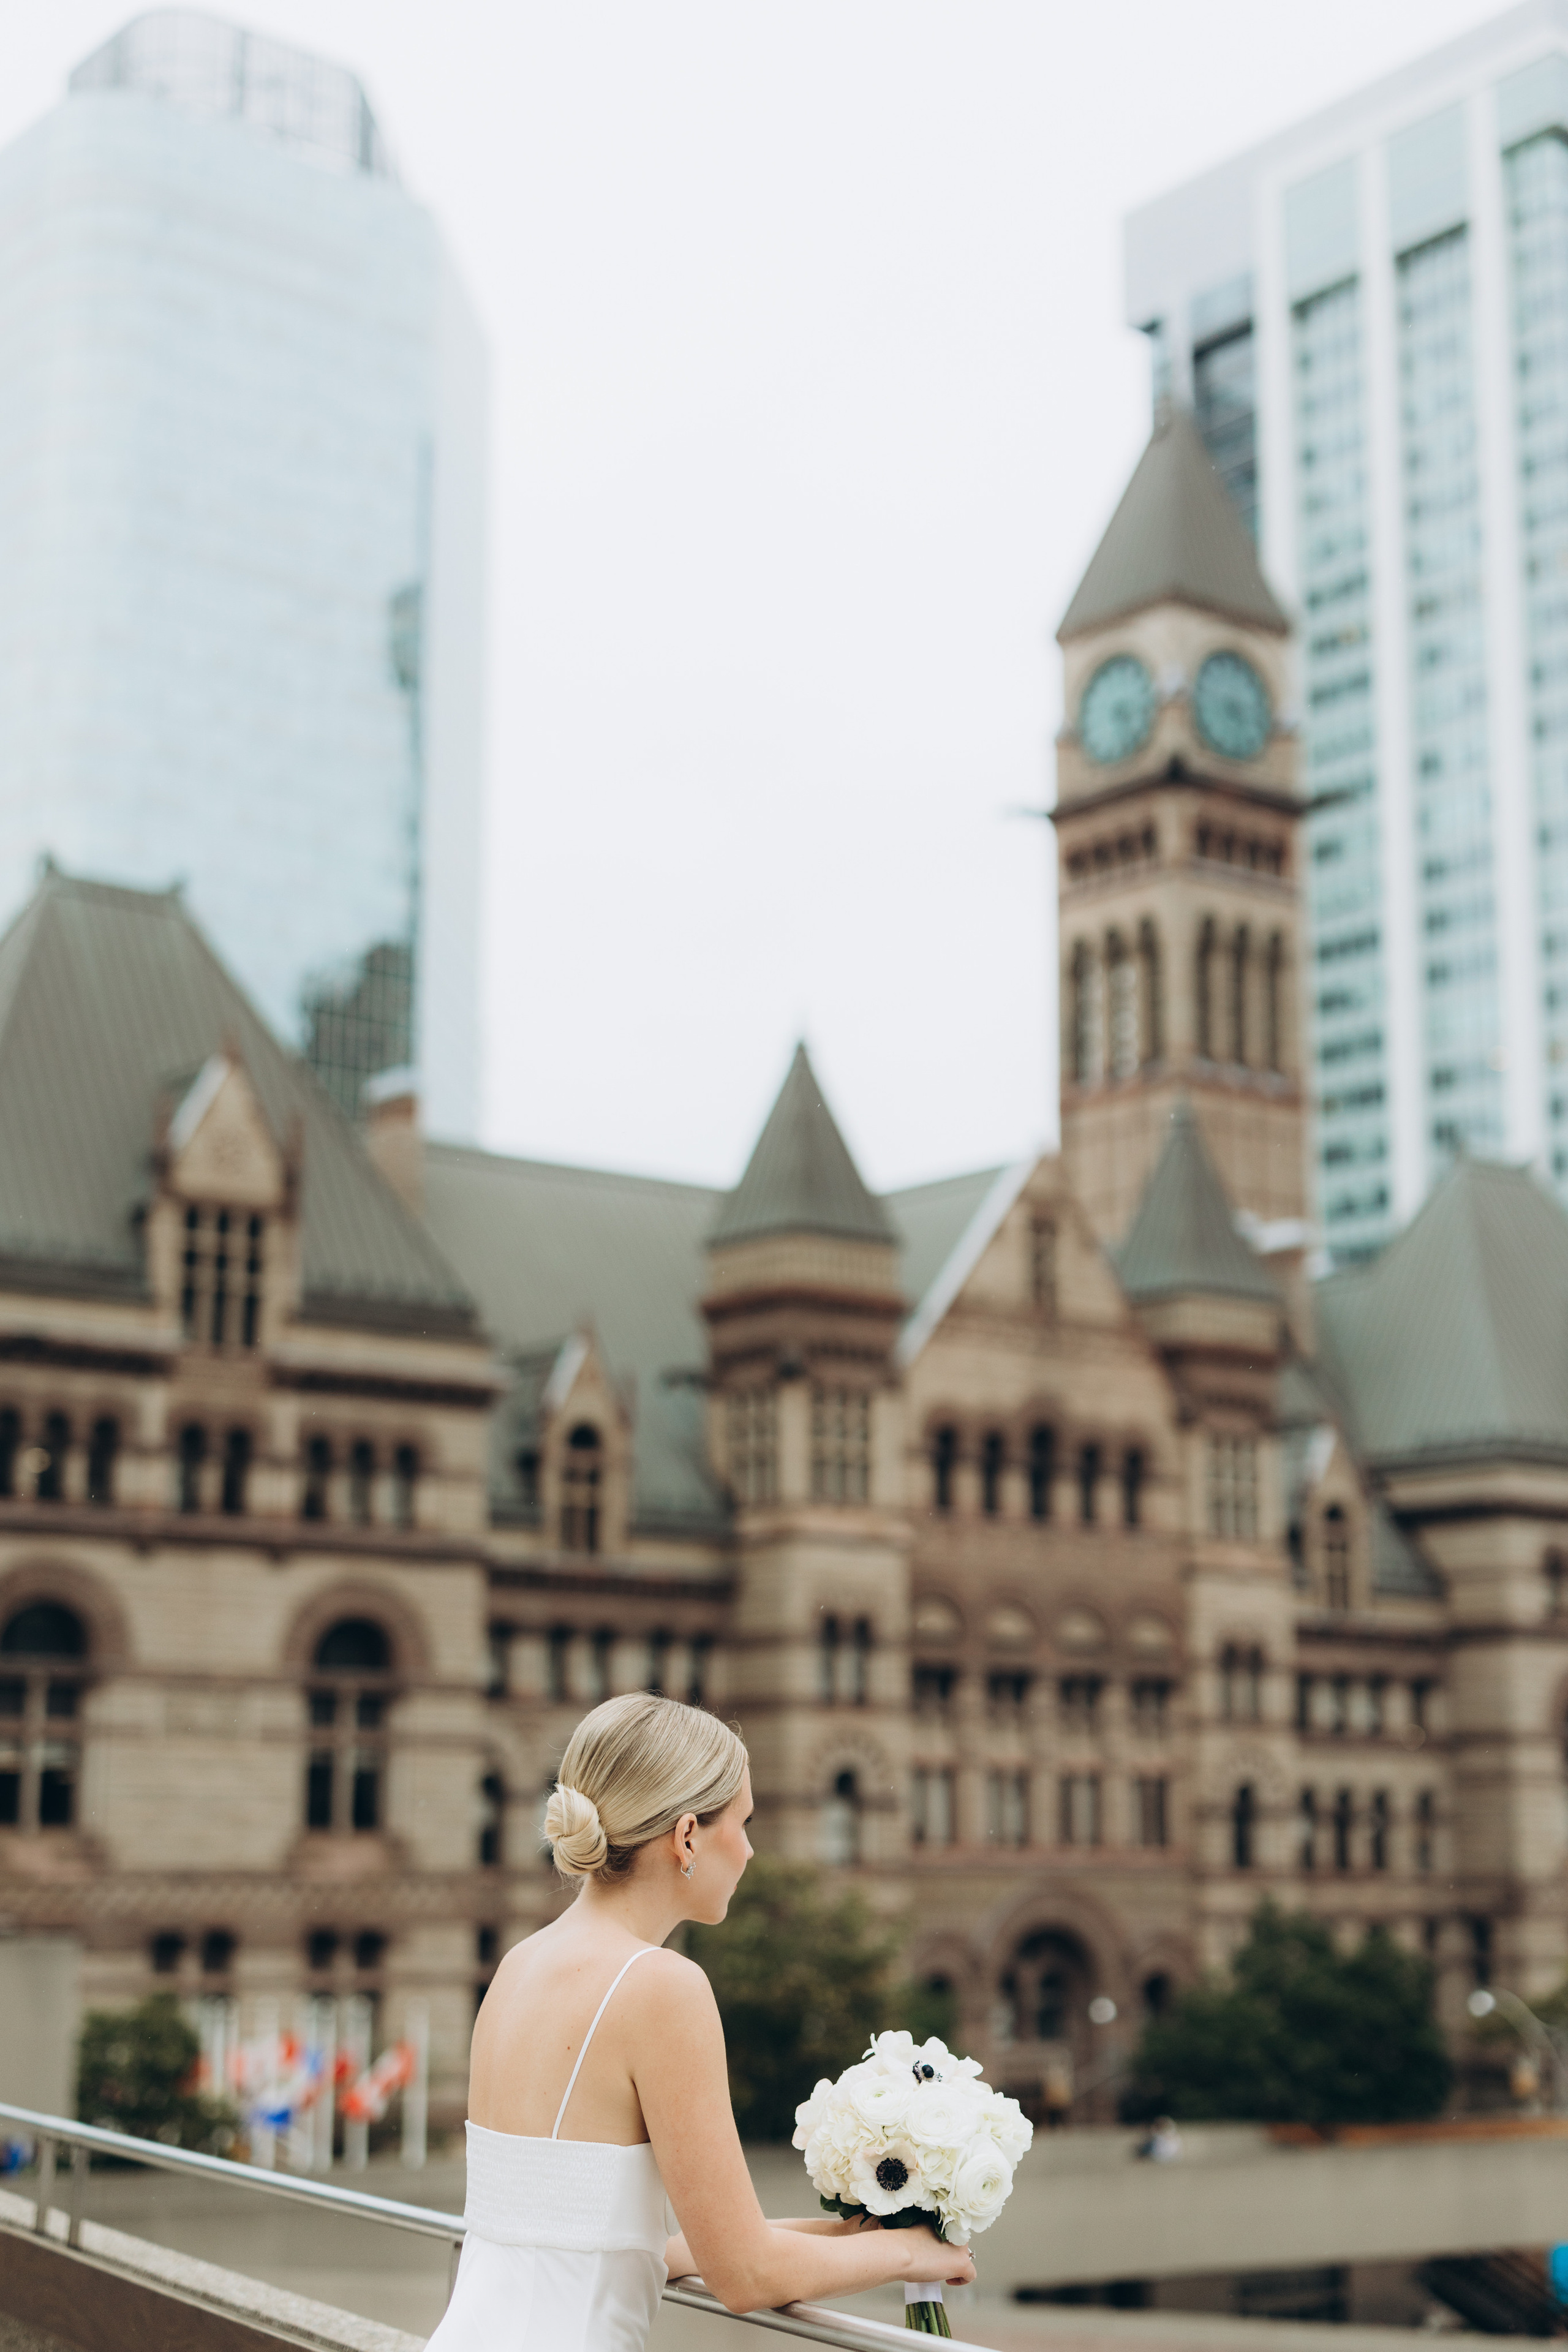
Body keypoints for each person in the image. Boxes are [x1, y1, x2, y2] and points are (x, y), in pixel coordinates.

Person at [427, 1691, 973, 2350]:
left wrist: (848, 2234)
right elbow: (744, 2275)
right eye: (741, 1824)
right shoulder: (660, 1985)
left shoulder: (521, 1964)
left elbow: (615, 2243)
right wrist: (917, 2257)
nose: (747, 1851)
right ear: (687, 1836)